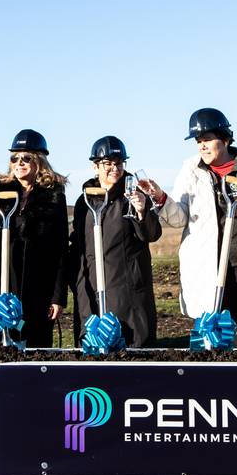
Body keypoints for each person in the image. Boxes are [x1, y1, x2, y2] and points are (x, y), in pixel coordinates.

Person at [140, 108, 237, 345]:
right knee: (210, 347)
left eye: (207, 139)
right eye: (198, 141)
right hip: (206, 272)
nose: (202, 146)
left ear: (226, 139)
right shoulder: (190, 170)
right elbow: (179, 218)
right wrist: (161, 198)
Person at [0, 130, 69, 348]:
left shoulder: (53, 196)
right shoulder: (0, 190)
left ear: (39, 161)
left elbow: (60, 248)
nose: (19, 163)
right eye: (14, 158)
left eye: (26, 158)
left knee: (30, 343)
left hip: (34, 283)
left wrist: (57, 296)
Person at [67, 136, 162, 347]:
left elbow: (151, 234)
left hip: (126, 289)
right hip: (91, 287)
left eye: (119, 163)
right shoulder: (84, 201)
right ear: (95, 166)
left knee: (130, 348)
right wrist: (75, 279)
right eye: (108, 163)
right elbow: (78, 242)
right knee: (92, 349)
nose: (114, 168)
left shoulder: (133, 195)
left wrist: (142, 211)